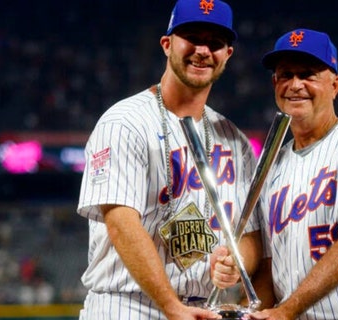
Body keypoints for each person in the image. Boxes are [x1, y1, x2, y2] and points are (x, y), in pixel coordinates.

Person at [76, 1, 262, 319]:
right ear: (167, 45)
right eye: (191, 37)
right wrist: (170, 305)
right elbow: (121, 222)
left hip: (202, 308)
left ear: (227, 54)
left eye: (215, 43)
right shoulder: (125, 122)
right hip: (127, 305)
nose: (203, 50)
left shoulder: (235, 140)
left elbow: (251, 235)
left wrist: (236, 260)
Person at [212, 28, 338, 319]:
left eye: (308, 74)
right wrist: (250, 312)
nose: (295, 84)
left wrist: (287, 311)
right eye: (286, 75)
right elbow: (270, 267)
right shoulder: (271, 165)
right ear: (274, 84)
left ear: (335, 84)